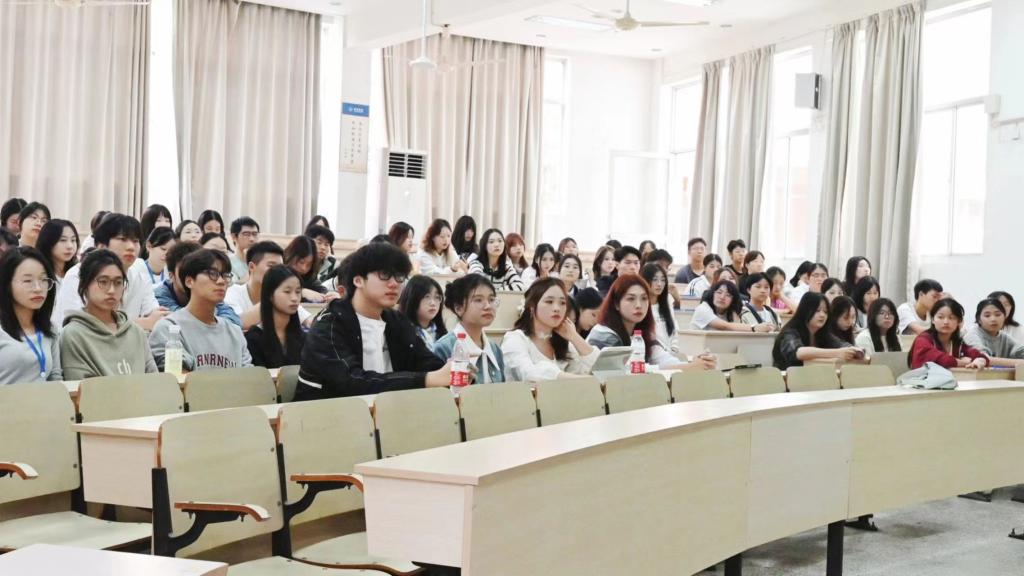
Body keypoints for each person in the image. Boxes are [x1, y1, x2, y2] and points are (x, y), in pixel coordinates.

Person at [296, 242, 450, 399]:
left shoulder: (396, 321)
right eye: (384, 274)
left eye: (399, 276)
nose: (394, 284)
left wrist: (451, 371)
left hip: (386, 410)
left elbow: (426, 361)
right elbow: (352, 382)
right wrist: (427, 379)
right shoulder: (328, 325)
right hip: (329, 411)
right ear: (358, 280)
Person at [55, 214, 166, 330]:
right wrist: (141, 323)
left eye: (135, 241)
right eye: (122, 239)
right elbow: (78, 326)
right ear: (102, 246)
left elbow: (156, 317)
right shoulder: (77, 275)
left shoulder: (139, 275)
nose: (131, 247)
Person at [60, 250, 158, 379]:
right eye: (103, 282)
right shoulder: (73, 335)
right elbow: (81, 386)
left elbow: (154, 380)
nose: (112, 290)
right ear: (85, 284)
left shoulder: (136, 332)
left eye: (118, 282)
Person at [149, 249, 252, 372]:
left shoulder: (234, 332)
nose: (221, 281)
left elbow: (248, 378)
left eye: (225, 275)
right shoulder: (169, 328)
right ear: (189, 281)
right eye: (212, 274)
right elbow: (179, 380)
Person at [587, 274, 715, 371]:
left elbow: (662, 359)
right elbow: (627, 371)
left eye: (644, 298)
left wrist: (697, 363)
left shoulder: (642, 333)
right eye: (631, 299)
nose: (639, 305)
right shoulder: (603, 334)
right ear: (616, 304)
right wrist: (687, 367)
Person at [501, 278, 597, 381]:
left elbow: (598, 369)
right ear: (532, 306)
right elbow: (528, 374)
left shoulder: (564, 342)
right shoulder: (515, 339)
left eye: (562, 303)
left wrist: (574, 337)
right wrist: (582, 380)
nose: (557, 308)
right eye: (549, 301)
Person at [0, 247, 62, 384]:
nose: (38, 288)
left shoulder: (50, 328)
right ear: (7, 285)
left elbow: (56, 377)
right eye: (28, 281)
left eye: (43, 279)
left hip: (46, 398)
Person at [433, 274, 506, 384]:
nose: (488, 306)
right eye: (478, 300)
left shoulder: (495, 349)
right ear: (459, 308)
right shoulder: (443, 348)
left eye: (491, 299)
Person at [225, 241, 312, 330]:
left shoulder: (281, 295)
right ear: (251, 267)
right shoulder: (232, 293)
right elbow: (237, 323)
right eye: (271, 266)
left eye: (280, 268)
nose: (277, 272)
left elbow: (309, 321)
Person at [154, 241, 242, 327]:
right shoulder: (158, 296)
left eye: (196, 270)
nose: (191, 275)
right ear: (171, 276)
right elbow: (181, 320)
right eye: (184, 271)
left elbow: (234, 322)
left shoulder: (208, 291)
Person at [772, 292, 862, 370]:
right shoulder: (790, 332)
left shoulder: (823, 333)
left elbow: (842, 345)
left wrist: (855, 351)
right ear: (805, 311)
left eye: (825, 311)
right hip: (786, 379)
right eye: (817, 310)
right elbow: (799, 353)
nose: (822, 315)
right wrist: (838, 353)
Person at [244, 265, 306, 369]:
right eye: (287, 292)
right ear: (270, 295)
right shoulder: (254, 339)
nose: (294, 298)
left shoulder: (303, 338)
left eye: (298, 292)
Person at [908, 298, 987, 370]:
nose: (946, 322)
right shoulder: (923, 339)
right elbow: (937, 360)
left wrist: (980, 360)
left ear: (959, 322)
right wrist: (963, 362)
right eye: (940, 317)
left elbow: (977, 355)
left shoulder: (957, 343)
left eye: (951, 318)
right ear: (933, 320)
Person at [691, 280, 772, 333]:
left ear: (733, 300)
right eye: (719, 292)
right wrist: (754, 328)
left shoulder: (732, 311)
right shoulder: (702, 309)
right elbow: (724, 326)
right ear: (712, 294)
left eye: (728, 295)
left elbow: (737, 330)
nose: (722, 297)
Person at [963, 299, 1024, 365]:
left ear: (1004, 317)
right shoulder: (972, 335)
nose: (993, 319)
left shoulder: (1005, 338)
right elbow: (983, 358)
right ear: (979, 319)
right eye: (987, 316)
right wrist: (1020, 362)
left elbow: (1020, 350)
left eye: (997, 315)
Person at [398, 275, 447, 348]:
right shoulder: (403, 332)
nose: (433, 303)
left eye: (437, 297)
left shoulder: (441, 333)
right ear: (412, 299)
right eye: (427, 297)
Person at [285, 235, 335, 302]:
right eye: (301, 262)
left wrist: (328, 295)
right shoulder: (279, 270)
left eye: (309, 264)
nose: (304, 268)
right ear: (291, 256)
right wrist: (300, 292)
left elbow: (320, 288)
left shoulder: (309, 275)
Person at [640, 263, 677, 351]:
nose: (659, 284)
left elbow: (675, 330)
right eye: (655, 279)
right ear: (645, 280)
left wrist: (674, 348)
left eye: (663, 280)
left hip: (670, 352)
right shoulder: (639, 305)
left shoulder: (667, 301)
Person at [228, 217, 260, 284]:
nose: (252, 239)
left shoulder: (261, 260)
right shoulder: (228, 262)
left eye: (255, 234)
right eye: (246, 234)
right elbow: (231, 286)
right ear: (234, 237)